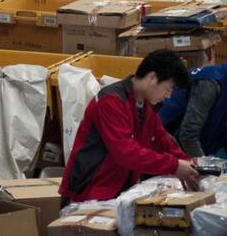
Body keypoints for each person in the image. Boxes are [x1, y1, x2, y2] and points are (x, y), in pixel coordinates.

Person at [59, 50, 199, 204]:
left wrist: (191, 165)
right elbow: (125, 152)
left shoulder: (145, 105)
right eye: (168, 88)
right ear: (152, 78)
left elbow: (162, 140)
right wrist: (174, 165)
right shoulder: (111, 101)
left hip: (118, 193)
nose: (168, 95)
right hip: (88, 193)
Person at [160, 63, 227, 158]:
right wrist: (203, 168)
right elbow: (188, 135)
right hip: (161, 141)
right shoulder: (208, 84)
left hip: (185, 147)